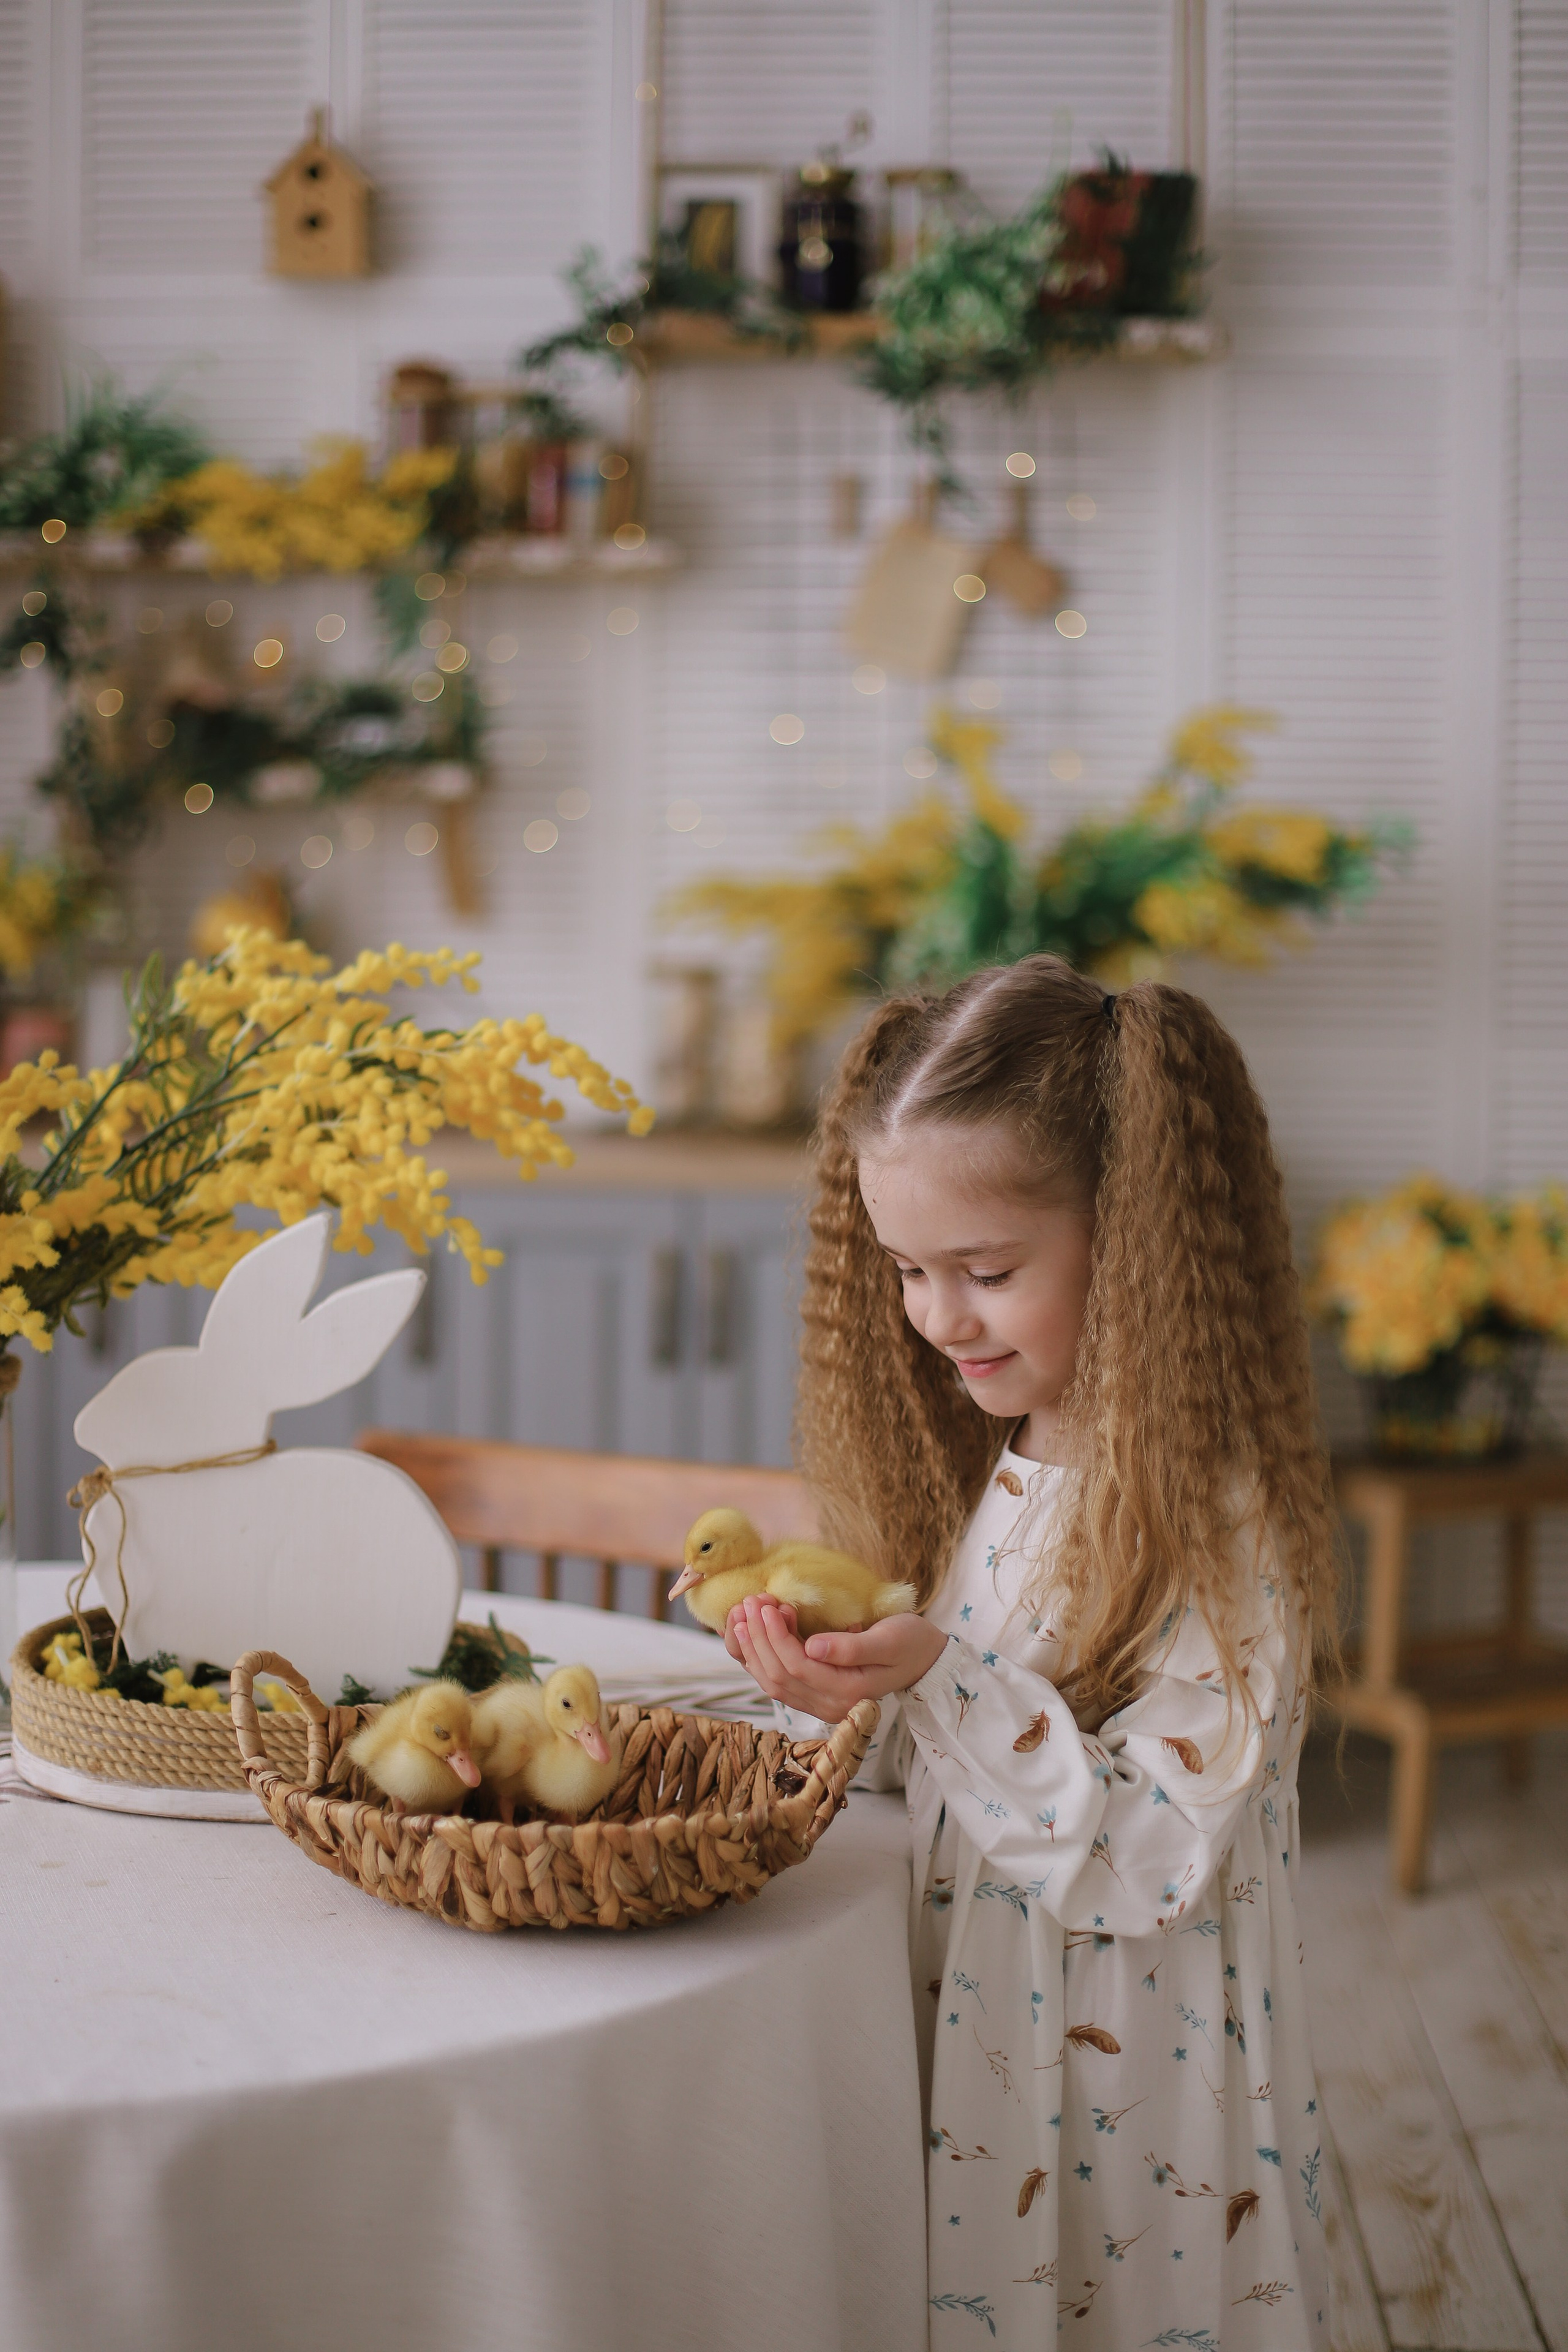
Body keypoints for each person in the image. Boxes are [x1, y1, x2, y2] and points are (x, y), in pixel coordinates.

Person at [727, 955, 1336, 2351]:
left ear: (1128, 1246)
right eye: (904, 1271)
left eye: (985, 1272)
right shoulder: (1011, 1461)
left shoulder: (1211, 1514)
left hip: (1137, 2081)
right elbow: (969, 1762)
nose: (936, 1318)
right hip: (1002, 2037)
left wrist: (930, 1674)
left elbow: (1149, 1854)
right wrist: (842, 1692)